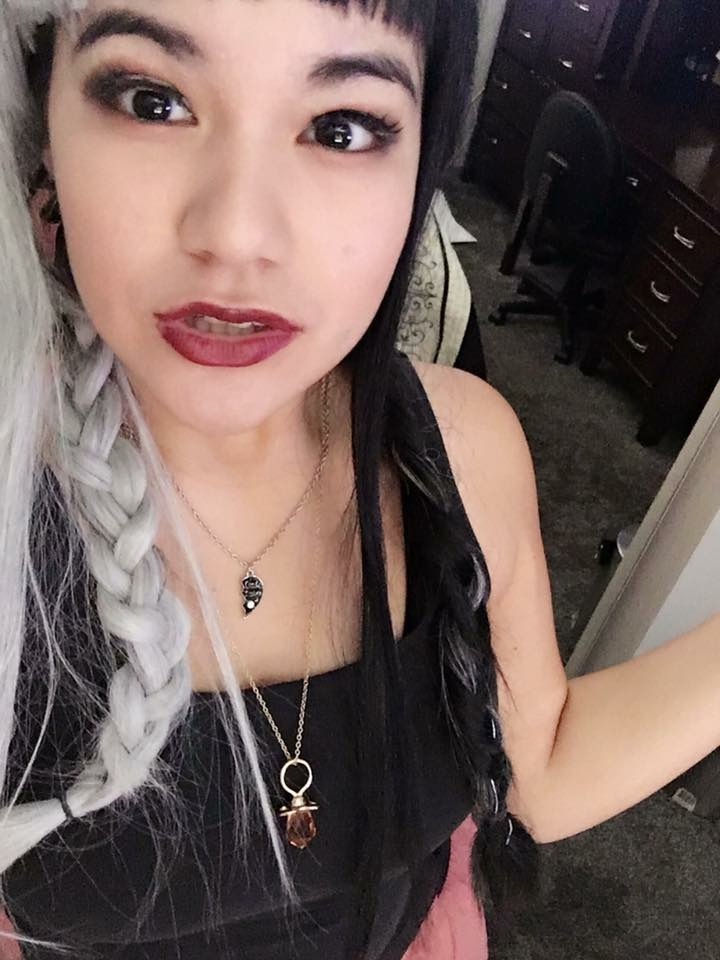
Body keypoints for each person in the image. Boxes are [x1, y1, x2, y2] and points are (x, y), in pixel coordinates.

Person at [0, 2, 718, 959]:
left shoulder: (462, 449)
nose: (238, 235)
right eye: (152, 100)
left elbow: (539, 766)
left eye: (341, 128)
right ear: (42, 132)